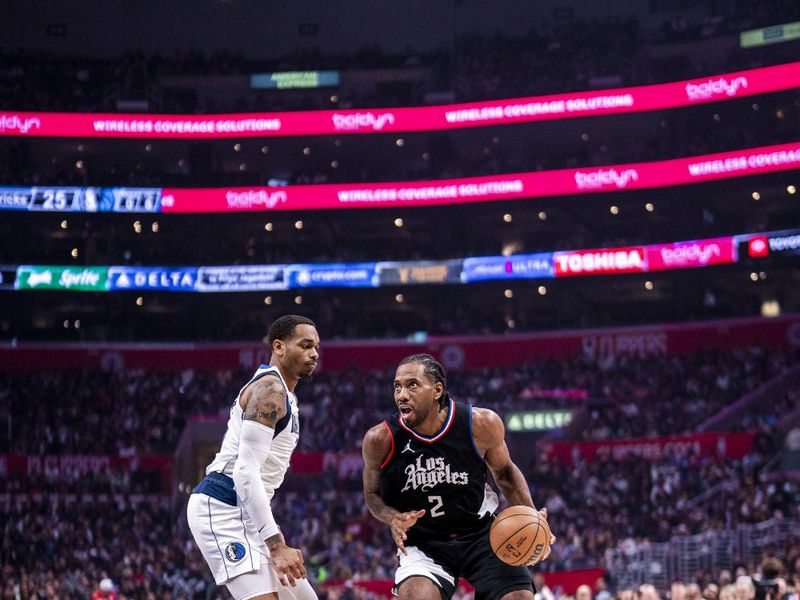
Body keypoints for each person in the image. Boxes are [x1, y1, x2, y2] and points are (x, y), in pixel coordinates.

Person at [362, 353, 555, 600]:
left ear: (437, 390)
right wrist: (393, 518)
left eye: (412, 385)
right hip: (424, 542)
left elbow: (505, 472)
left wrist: (532, 515)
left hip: (482, 533)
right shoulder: (380, 439)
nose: (401, 395)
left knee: (519, 597)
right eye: (397, 386)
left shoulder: (480, 424)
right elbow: (371, 494)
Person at [187, 315, 321, 600]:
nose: (313, 353)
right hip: (223, 505)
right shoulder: (270, 390)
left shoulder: (287, 395)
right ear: (279, 346)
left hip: (247, 511)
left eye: (316, 347)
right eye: (305, 345)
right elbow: (245, 472)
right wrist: (276, 545)